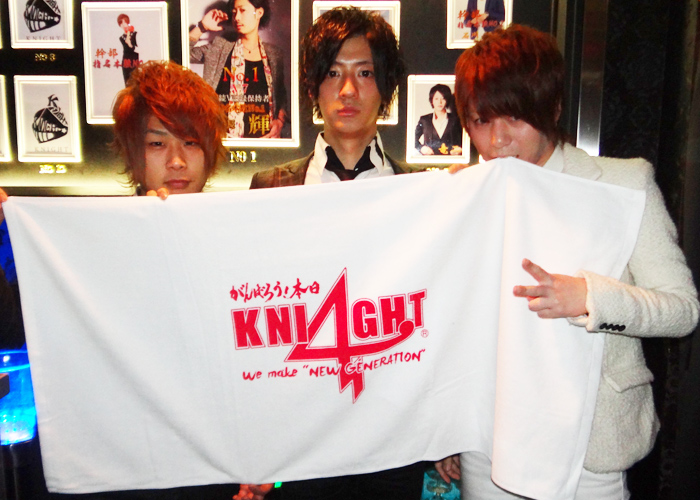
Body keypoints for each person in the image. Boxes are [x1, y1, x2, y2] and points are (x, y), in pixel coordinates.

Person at [435, 24, 699, 499]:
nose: (498, 140)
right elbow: (447, 322)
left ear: (552, 108)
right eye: (481, 120)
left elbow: (683, 309)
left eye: (515, 117)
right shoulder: (463, 194)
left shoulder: (622, 184)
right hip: (488, 446)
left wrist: (590, 298)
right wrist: (445, 425)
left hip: (589, 451)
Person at [1, 60, 271, 500]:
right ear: (133, 152)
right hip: (113, 476)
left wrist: (266, 460)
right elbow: (15, 328)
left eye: (190, 142)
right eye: (156, 143)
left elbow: (263, 364)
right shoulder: (85, 245)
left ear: (211, 151)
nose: (177, 161)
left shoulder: (240, 244)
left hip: (210, 478)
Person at [249, 6, 424, 500]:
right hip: (299, 437)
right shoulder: (268, 188)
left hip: (395, 440)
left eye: (365, 73)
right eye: (332, 73)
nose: (348, 91)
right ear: (313, 87)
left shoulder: (423, 194)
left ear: (386, 88)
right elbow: (254, 319)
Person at [189, 0, 288, 139]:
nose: (237, 17)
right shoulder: (220, 48)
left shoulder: (274, 55)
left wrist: (280, 121)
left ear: (259, 12)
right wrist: (202, 26)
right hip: (223, 141)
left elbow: (282, 95)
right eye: (234, 12)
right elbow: (182, 54)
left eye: (242, 10)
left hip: (264, 141)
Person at [414, 83, 463, 156]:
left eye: (443, 98)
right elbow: (412, 138)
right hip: (429, 159)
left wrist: (461, 149)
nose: (440, 102)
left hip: (452, 159)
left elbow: (466, 140)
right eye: (436, 99)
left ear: (447, 100)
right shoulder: (424, 120)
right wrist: (421, 148)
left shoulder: (456, 119)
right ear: (432, 100)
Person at [117, 14, 139, 85]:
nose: (123, 25)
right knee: (127, 81)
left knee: (136, 80)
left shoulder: (135, 34)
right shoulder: (121, 38)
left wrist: (129, 43)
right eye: (121, 23)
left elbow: (136, 48)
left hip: (134, 59)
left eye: (125, 22)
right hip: (126, 60)